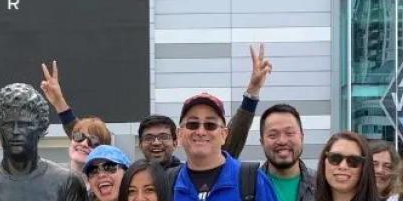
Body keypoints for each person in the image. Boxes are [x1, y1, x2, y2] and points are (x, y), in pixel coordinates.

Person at [38, 46, 273, 166]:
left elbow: (227, 144)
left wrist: (251, 93)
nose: (157, 143)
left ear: (177, 140)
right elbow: (87, 143)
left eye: (163, 137)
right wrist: (59, 103)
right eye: (149, 138)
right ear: (140, 145)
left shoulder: (185, 175)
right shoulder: (131, 176)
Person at [257, 103, 316, 201]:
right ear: (262, 141)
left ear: (302, 136)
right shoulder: (248, 188)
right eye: (273, 135)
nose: (282, 141)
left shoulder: (322, 186)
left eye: (289, 133)